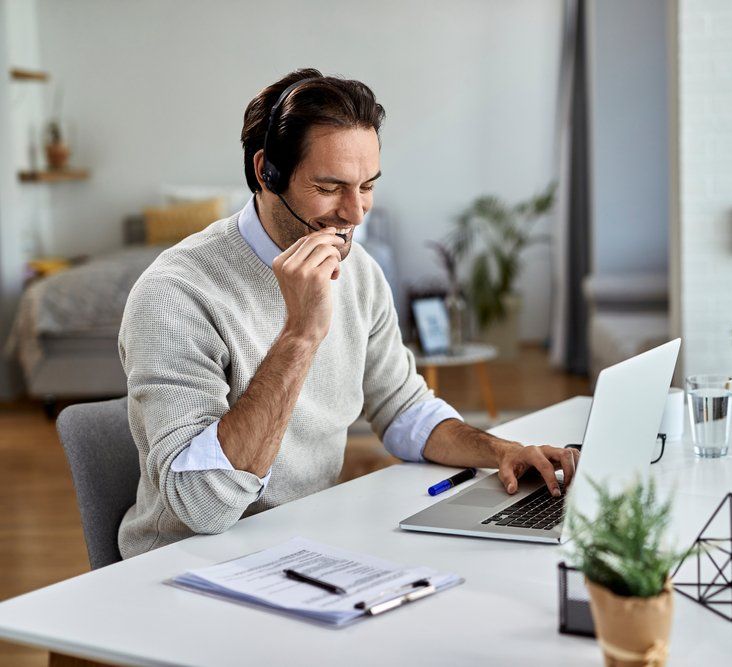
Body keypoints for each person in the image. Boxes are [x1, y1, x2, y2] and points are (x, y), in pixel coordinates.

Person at [117, 68, 578, 558]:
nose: (356, 213)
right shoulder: (175, 294)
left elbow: (403, 408)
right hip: (185, 564)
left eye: (367, 186)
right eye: (331, 187)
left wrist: (500, 451)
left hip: (302, 543)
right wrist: (299, 334)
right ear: (266, 172)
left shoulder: (359, 271)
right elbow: (201, 505)